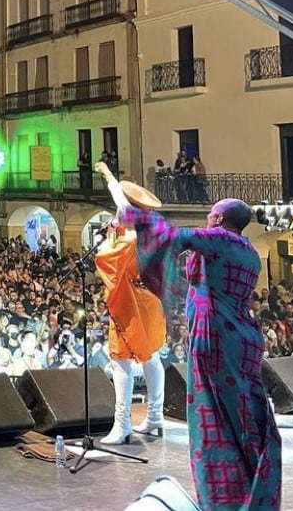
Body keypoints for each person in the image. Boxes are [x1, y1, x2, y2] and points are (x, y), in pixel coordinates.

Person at [117, 192, 281, 510]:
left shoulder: (219, 238)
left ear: (219, 219)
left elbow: (174, 237)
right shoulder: (248, 250)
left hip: (218, 338)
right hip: (241, 338)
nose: (208, 218)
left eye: (211, 214)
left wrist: (135, 215)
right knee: (240, 418)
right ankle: (249, 484)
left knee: (214, 418)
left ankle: (228, 498)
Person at [94, 162, 167, 445]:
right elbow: (124, 213)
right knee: (151, 356)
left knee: (120, 360)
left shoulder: (129, 239)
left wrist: (109, 177)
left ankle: (122, 424)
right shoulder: (152, 232)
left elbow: (104, 258)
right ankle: (155, 416)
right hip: (150, 302)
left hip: (131, 304)